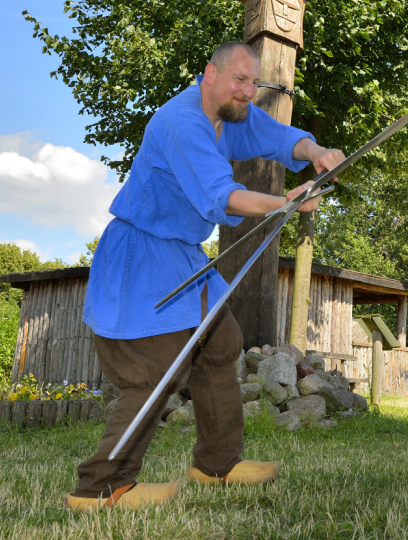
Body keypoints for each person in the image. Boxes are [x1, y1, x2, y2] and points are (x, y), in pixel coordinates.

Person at [66, 41, 345, 512]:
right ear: (208, 74)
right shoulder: (183, 122)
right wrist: (286, 204)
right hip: (143, 252)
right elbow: (224, 196)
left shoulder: (229, 115)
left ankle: (217, 464)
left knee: (220, 345)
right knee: (152, 370)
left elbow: (277, 137)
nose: (247, 92)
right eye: (240, 80)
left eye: (254, 83)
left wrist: (315, 151)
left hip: (183, 254)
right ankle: (99, 487)